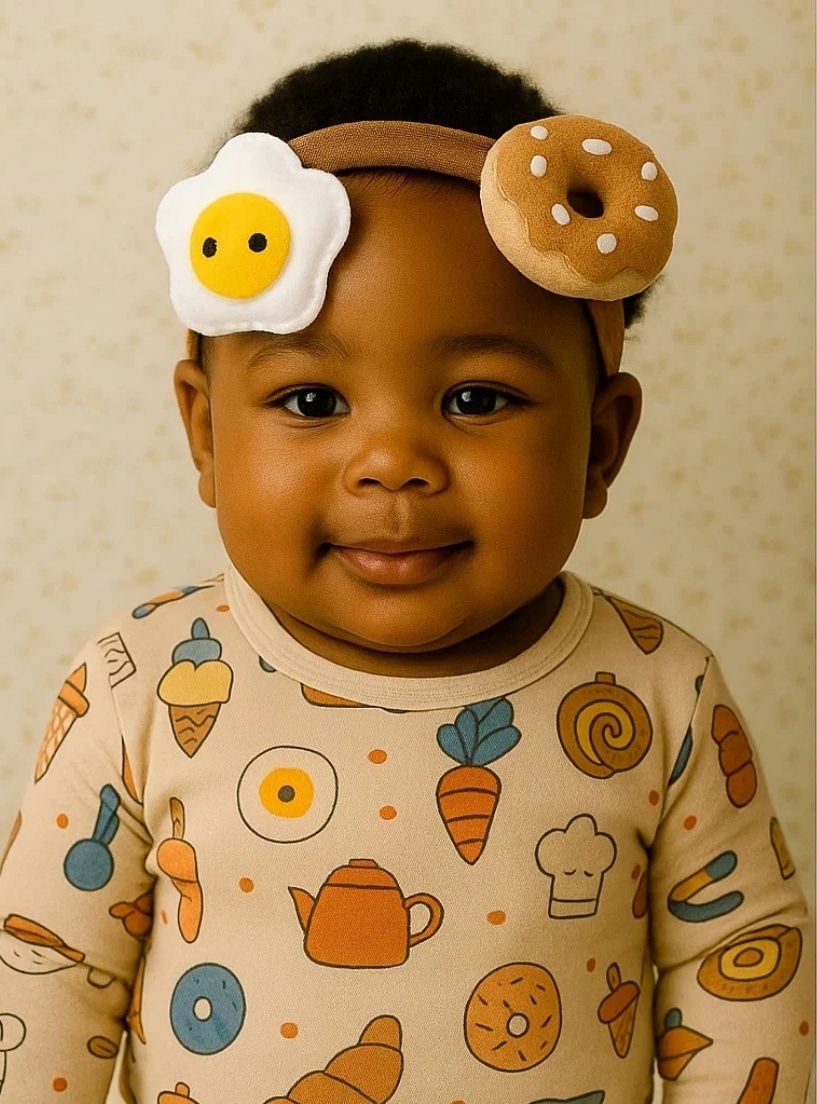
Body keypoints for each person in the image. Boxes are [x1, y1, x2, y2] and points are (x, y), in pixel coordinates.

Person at [0, 38, 812, 1104]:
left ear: (600, 446)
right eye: (311, 402)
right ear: (205, 432)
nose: (392, 463)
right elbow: (46, 966)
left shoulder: (662, 692)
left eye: (476, 399)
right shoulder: (138, 683)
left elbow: (741, 967)